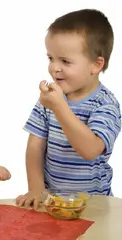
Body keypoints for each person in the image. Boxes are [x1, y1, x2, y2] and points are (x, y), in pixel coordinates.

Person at [16, 9, 121, 209]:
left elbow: (90, 150)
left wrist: (61, 108)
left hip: (94, 205)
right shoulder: (49, 100)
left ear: (96, 65)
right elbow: (35, 146)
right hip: (53, 203)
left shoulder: (105, 104)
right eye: (51, 58)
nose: (54, 68)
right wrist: (36, 188)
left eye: (65, 61)